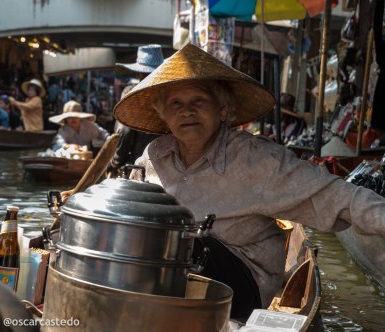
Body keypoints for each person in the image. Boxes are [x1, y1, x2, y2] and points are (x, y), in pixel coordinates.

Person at [113, 43, 385, 321]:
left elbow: (337, 196)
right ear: (163, 113)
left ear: (221, 107)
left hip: (238, 290)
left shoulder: (256, 159)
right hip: (167, 282)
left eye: (199, 101)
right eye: (176, 104)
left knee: (181, 239)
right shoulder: (153, 156)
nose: (187, 112)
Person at [111, 44, 164, 173]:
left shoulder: (131, 93)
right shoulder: (169, 93)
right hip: (167, 163)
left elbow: (124, 131)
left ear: (138, 73)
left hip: (137, 165)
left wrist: (115, 163)